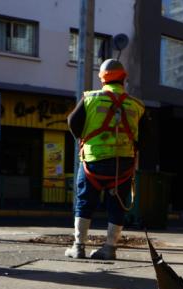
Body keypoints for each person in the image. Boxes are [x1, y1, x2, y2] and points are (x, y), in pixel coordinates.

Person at [65, 58, 145, 260]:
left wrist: (85, 139)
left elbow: (72, 122)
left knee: (84, 202)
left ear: (102, 79)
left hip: (93, 161)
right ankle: (109, 248)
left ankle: (79, 247)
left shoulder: (90, 98)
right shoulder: (136, 105)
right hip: (123, 164)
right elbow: (146, 135)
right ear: (123, 79)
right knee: (117, 205)